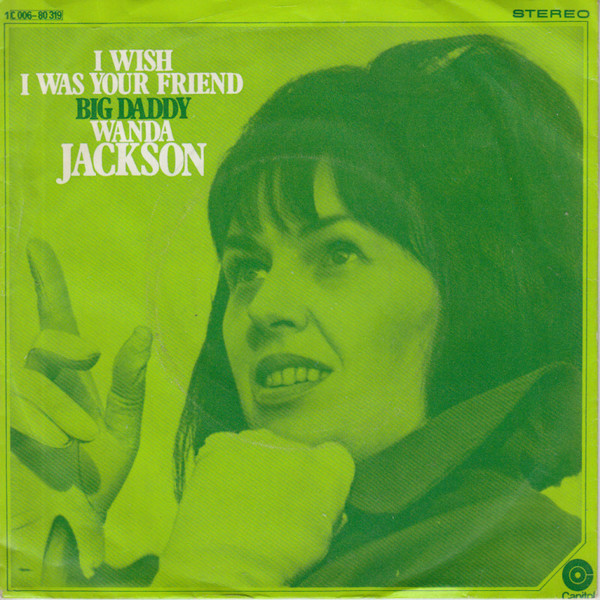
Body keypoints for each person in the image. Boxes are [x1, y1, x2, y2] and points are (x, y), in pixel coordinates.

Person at [11, 34, 583, 589]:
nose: (263, 308)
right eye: (248, 269)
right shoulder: (229, 551)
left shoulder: (522, 560)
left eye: (338, 253)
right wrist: (50, 537)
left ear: (470, 299)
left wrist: (216, 578)